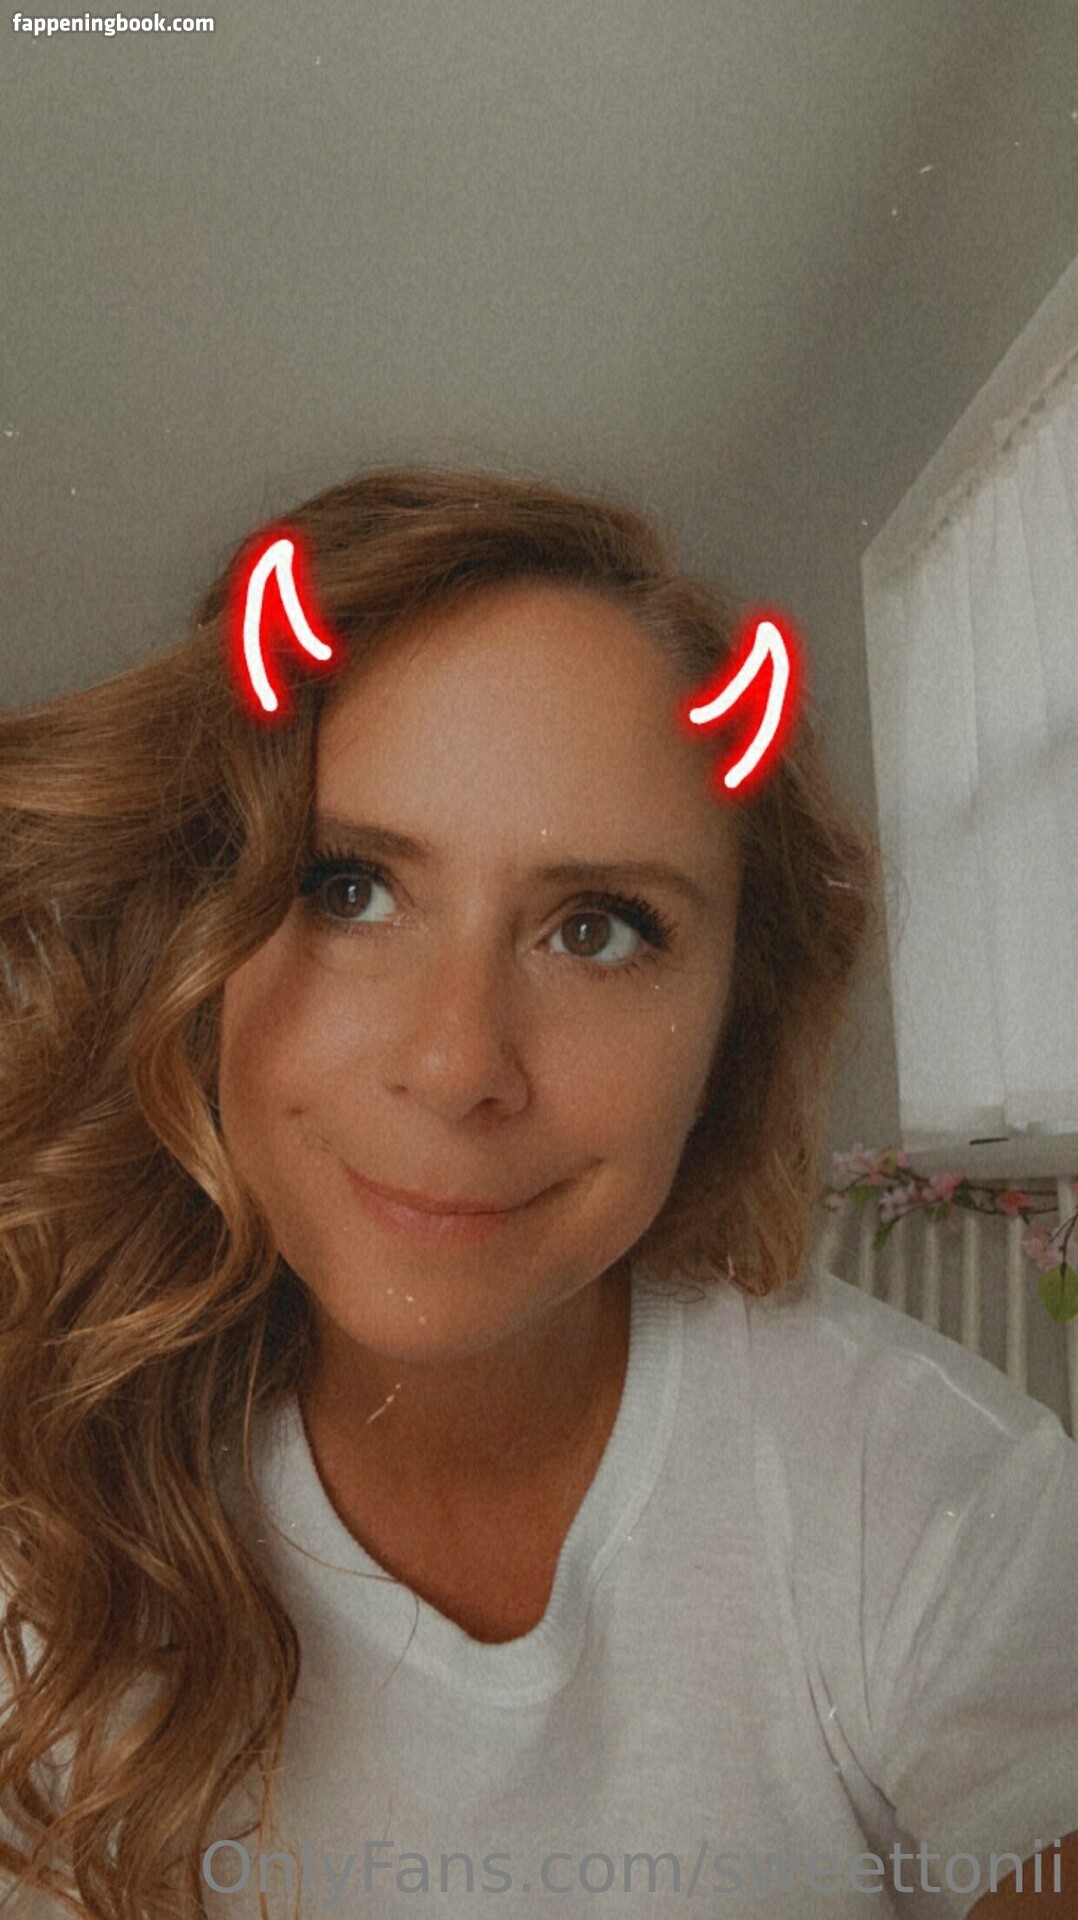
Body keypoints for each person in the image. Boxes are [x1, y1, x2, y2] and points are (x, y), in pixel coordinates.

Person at [0, 465, 1074, 1920]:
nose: (458, 1065)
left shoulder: (930, 1499)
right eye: (345, 887)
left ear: (734, 1023)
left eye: (597, 928)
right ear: (196, 937)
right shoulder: (42, 1500)